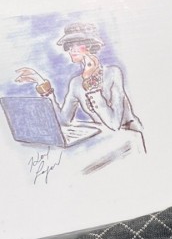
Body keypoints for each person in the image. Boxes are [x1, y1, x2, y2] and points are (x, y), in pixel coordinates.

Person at [15, 22, 145, 148]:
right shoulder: (76, 83)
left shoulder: (113, 73)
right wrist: (42, 84)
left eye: (77, 44)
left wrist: (90, 82)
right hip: (105, 137)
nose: (71, 49)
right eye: (69, 45)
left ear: (90, 46)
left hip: (129, 137)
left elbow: (114, 124)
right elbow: (63, 121)